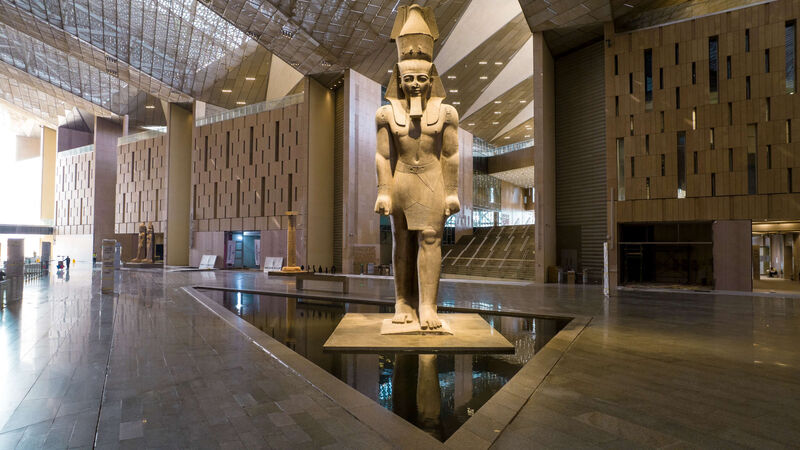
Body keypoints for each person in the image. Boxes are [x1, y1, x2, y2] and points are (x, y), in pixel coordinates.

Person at [374, 5, 459, 329]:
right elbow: (383, 156)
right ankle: (402, 302)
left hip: (433, 179)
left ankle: (428, 305)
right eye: (408, 79)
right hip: (402, 180)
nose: (414, 85)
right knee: (403, 240)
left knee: (430, 237)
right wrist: (384, 192)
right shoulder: (385, 115)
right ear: (398, 79)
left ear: (432, 79)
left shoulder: (447, 113)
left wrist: (451, 193)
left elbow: (450, 155)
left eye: (421, 79)